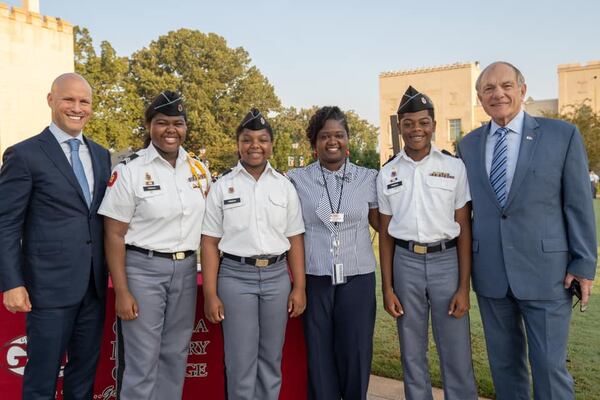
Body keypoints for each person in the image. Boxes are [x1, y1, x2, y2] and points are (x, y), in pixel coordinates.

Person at [457, 61, 597, 400]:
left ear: (522, 90)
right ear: (479, 98)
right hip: (491, 274)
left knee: (549, 368)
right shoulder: (468, 145)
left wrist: (583, 264)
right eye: (488, 89)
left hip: (547, 275)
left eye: (506, 85)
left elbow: (578, 205)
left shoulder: (561, 136)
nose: (498, 93)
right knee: (505, 368)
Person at [0, 73, 112, 399]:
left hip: (93, 288)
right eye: (69, 100)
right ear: (51, 100)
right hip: (47, 289)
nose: (77, 108)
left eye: (84, 102)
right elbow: (6, 222)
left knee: (83, 379)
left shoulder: (102, 155)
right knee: (41, 381)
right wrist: (11, 282)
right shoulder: (24, 155)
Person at [98, 91, 210, 399]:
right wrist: (122, 291)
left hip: (186, 269)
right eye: (162, 122)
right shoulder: (129, 170)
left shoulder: (199, 170)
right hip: (142, 271)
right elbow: (114, 235)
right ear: (149, 126)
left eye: (178, 123)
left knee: (175, 356)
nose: (171, 130)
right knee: (141, 363)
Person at [378, 86, 478, 400]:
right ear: (399, 127)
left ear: (433, 125)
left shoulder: (454, 167)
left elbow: (464, 227)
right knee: (411, 349)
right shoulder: (388, 173)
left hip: (446, 261)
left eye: (423, 122)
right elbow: (385, 234)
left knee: (456, 349)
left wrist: (464, 286)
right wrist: (387, 287)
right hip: (405, 263)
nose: (416, 129)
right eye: (408, 123)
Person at [201, 108, 306, 400]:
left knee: (271, 359)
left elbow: (295, 238)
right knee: (240, 361)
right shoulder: (222, 186)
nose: (255, 145)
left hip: (276, 277)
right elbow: (209, 242)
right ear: (238, 144)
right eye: (247, 139)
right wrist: (211, 293)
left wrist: (299, 287)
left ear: (271, 144)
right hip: (236, 278)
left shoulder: (284, 187)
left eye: (262, 139)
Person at [286, 106, 379, 400]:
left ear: (348, 139)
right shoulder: (296, 180)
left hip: (358, 276)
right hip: (315, 276)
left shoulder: (369, 178)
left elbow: (384, 224)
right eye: (325, 135)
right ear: (314, 142)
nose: (332, 141)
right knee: (318, 352)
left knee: (356, 351)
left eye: (339, 134)